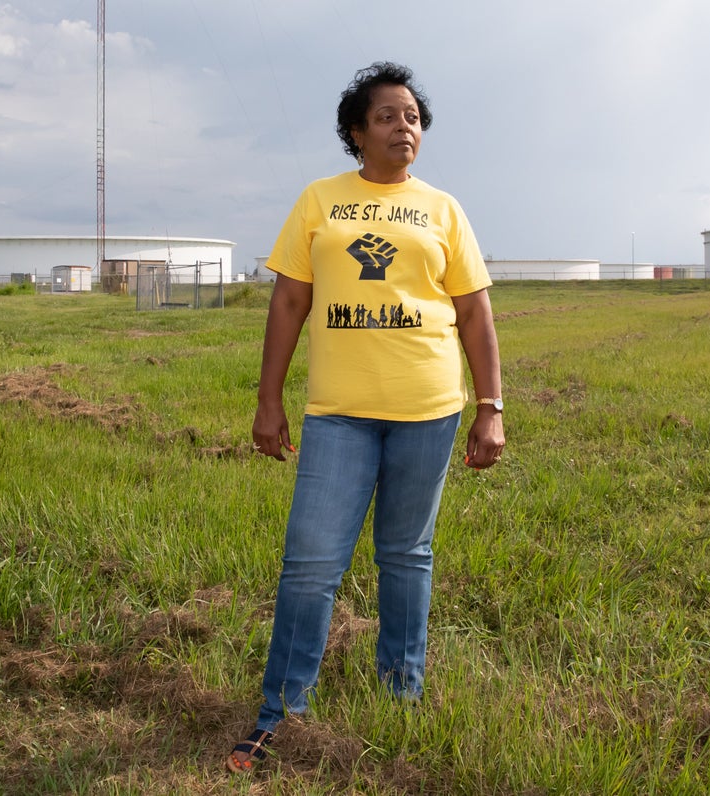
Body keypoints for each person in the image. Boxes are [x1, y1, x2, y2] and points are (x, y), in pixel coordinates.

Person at [227, 61, 505, 774]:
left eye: (411, 116)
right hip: (339, 416)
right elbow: (288, 302)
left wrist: (490, 407)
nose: (402, 126)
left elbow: (474, 311)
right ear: (356, 131)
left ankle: (402, 694)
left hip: (428, 409)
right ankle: (280, 714)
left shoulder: (443, 209)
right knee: (310, 564)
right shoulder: (321, 201)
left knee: (406, 555)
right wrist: (268, 400)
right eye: (386, 116)